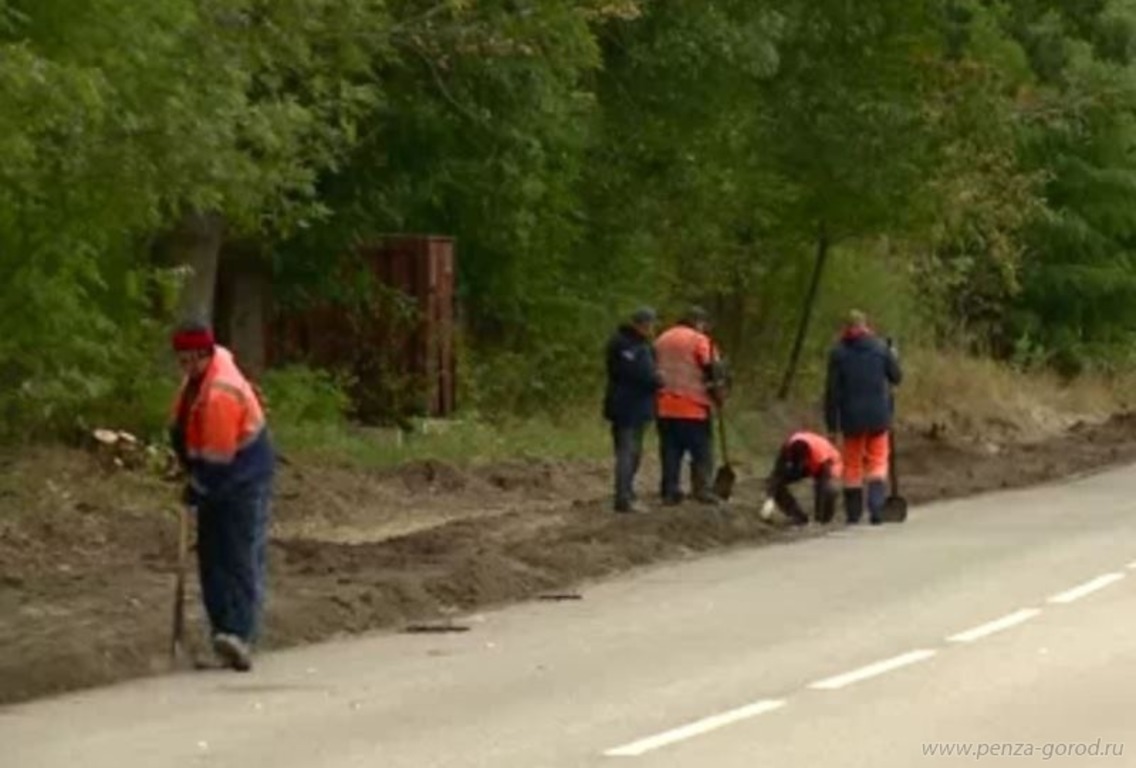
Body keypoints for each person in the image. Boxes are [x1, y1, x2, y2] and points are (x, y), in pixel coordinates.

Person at [169, 321, 276, 671]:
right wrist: (186, 466)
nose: (186, 366)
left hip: (243, 476)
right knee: (211, 556)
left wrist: (198, 487)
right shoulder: (193, 383)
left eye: (191, 359)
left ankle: (240, 634)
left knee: (238, 554)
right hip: (216, 473)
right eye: (181, 360)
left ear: (205, 354)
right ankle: (222, 635)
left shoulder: (220, 391)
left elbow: (218, 455)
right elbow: (181, 429)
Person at [824, 310, 902, 525]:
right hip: (878, 415)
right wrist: (894, 356)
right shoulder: (881, 348)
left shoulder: (838, 353)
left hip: (851, 418)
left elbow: (832, 393)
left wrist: (832, 425)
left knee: (852, 464)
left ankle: (853, 513)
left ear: (845, 328)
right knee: (878, 460)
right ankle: (876, 509)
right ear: (866, 325)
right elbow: (896, 377)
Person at [654, 306, 727, 505]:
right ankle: (702, 489)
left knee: (670, 451)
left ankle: (670, 491)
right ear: (698, 322)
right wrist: (719, 394)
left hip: (664, 405)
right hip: (693, 405)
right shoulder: (699, 340)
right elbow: (713, 369)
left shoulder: (662, 339)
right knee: (701, 451)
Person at [603, 307, 663, 513]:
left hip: (636, 405)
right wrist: (658, 379)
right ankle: (623, 497)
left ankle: (627, 491)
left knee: (633, 452)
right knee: (627, 452)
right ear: (641, 324)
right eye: (649, 324)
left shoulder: (639, 344)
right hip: (627, 406)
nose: (652, 328)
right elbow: (640, 374)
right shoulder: (627, 345)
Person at [761, 431, 842, 526]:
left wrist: (818, 520)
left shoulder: (820, 454)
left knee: (828, 490)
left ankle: (824, 521)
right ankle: (798, 517)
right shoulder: (787, 448)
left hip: (828, 462)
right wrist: (770, 498)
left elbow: (822, 486)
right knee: (774, 483)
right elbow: (777, 474)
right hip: (807, 463)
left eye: (801, 462)